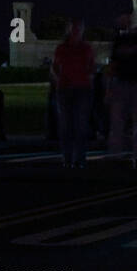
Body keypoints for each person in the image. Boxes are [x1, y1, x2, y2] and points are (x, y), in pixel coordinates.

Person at [107, 15, 137, 169]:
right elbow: (113, 63)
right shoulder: (119, 40)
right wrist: (109, 87)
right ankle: (118, 154)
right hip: (122, 83)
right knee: (118, 121)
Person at [51, 19, 94, 168]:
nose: (76, 31)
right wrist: (59, 81)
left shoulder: (86, 48)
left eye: (78, 28)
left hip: (81, 89)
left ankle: (78, 159)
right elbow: (55, 67)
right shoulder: (62, 48)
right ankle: (68, 159)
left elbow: (91, 68)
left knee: (80, 126)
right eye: (74, 28)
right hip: (66, 89)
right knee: (66, 126)